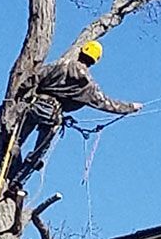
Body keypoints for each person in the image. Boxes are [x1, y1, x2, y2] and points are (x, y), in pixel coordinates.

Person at [11, 40, 141, 187]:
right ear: (95, 61)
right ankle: (17, 183)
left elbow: (35, 77)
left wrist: (19, 95)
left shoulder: (61, 64)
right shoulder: (88, 84)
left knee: (14, 141)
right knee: (38, 153)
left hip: (35, 106)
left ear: (81, 51)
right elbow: (107, 103)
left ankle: (4, 171)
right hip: (53, 115)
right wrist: (131, 107)